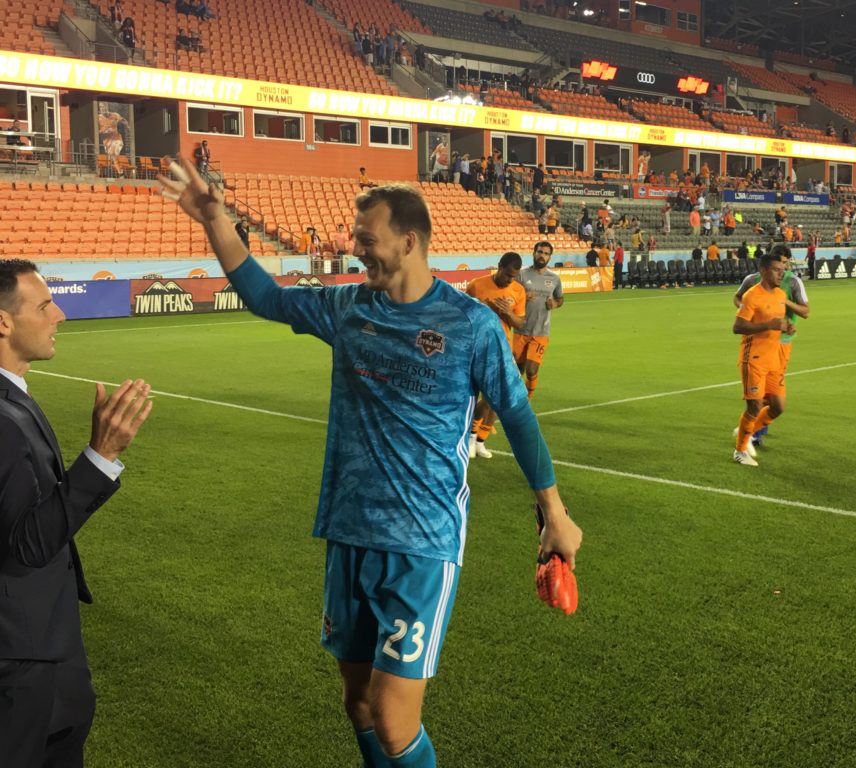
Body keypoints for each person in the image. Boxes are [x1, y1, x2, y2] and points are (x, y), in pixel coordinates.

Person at [158, 158, 581, 767]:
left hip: (421, 539)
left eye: (367, 241)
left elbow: (515, 415)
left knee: (390, 714)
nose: (356, 252)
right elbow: (265, 297)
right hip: (349, 529)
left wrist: (554, 513)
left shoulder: (470, 325)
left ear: (408, 242)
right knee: (358, 704)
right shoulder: (349, 309)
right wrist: (214, 219)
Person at [0, 259, 152, 766]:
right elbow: (26, 544)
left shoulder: (12, 397)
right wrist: (100, 456)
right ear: (4, 322)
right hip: (19, 659)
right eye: (44, 305)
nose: (60, 314)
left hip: (44, 643)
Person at [732, 244, 809, 452]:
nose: (782, 272)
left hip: (776, 353)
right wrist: (763, 321)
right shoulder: (752, 292)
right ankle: (742, 447)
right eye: (777, 268)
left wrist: (788, 326)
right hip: (755, 355)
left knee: (777, 405)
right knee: (756, 403)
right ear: (765, 270)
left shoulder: (782, 293)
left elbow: (801, 313)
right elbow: (737, 326)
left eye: (783, 267)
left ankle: (747, 432)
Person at [466, 252, 526, 459]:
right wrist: (487, 309)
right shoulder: (476, 285)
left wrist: (507, 313)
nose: (510, 280)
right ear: (499, 267)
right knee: (472, 396)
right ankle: (469, 436)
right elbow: (463, 315)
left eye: (514, 277)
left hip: (502, 349)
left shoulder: (518, 291)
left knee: (494, 399)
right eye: (508, 275)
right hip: (476, 347)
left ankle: (478, 439)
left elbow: (520, 324)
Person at [514, 241, 563, 400]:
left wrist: (555, 304)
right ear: (534, 253)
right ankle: (512, 397)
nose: (542, 256)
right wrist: (522, 297)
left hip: (541, 332)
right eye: (540, 252)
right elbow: (510, 296)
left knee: (531, 370)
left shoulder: (554, 278)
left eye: (546, 253)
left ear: (549, 257)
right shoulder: (521, 274)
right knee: (517, 370)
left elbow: (560, 298)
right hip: (520, 330)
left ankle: (527, 399)